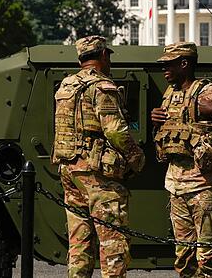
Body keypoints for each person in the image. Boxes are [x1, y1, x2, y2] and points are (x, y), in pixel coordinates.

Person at [151, 42, 212, 277]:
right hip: (176, 187)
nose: (164, 69)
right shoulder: (169, 95)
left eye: (169, 64)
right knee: (184, 258)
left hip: (204, 188)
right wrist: (156, 124)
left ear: (184, 64)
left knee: (209, 259)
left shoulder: (210, 93)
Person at [52, 35, 145, 278]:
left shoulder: (66, 86)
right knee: (113, 244)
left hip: (69, 170)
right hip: (97, 175)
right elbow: (115, 131)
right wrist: (137, 158)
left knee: (79, 243)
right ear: (103, 56)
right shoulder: (102, 86)